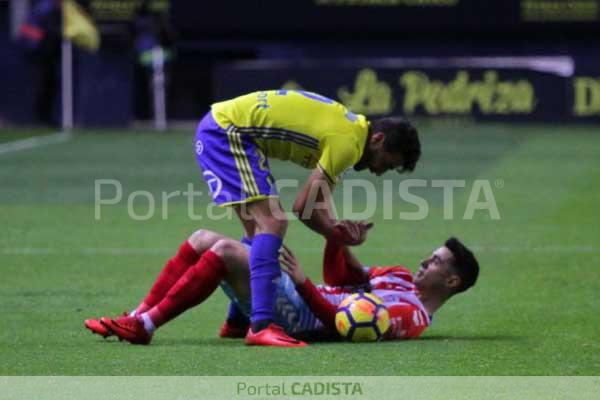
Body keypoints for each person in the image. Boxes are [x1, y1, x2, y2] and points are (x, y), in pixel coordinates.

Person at [190, 89, 421, 346]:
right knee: (273, 223)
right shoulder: (348, 144)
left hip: (222, 124)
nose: (379, 172)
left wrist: (338, 233)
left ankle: (233, 323)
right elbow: (304, 209)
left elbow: (320, 204)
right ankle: (261, 326)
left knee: (259, 233)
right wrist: (335, 234)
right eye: (386, 164)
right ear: (378, 139)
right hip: (227, 131)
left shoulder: (352, 131)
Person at [84, 225, 479, 345]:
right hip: (305, 296)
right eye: (430, 256)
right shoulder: (399, 277)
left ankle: (146, 327)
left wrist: (303, 283)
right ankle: (137, 314)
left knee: (225, 252)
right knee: (204, 237)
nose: (425, 262)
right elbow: (341, 279)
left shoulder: (413, 317)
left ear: (452, 280)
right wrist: (336, 239)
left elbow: (347, 328)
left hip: (310, 319)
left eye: (436, 262)